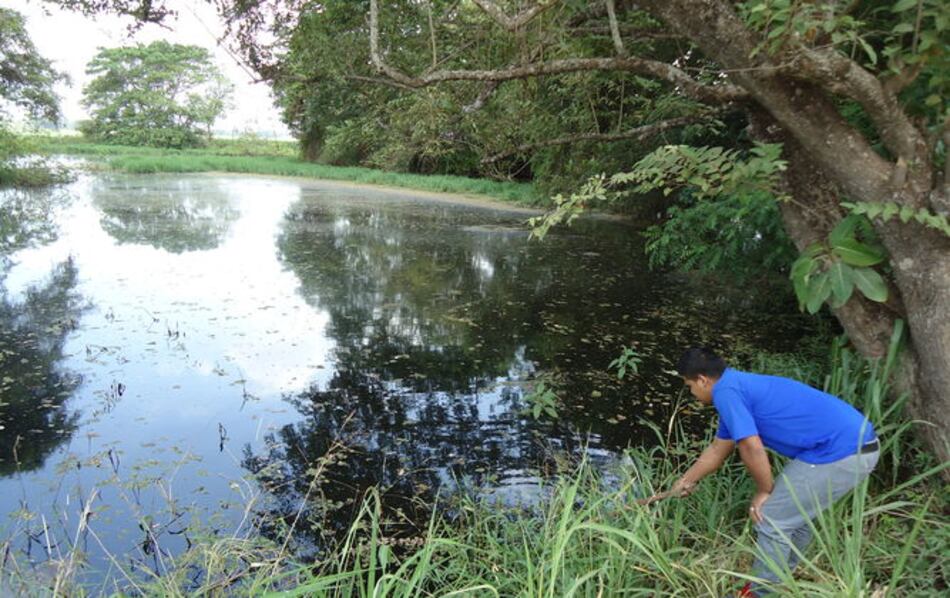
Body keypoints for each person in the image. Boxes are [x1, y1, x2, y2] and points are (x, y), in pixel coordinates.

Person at [668, 347, 879, 597]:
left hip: (841, 452)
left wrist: (763, 491)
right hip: (852, 447)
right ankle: (779, 581)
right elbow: (716, 450)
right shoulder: (734, 387)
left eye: (689, 386)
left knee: (770, 517)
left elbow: (751, 446)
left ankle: (761, 593)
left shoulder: (726, 392)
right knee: (793, 516)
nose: (692, 393)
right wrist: (685, 481)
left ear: (703, 380)